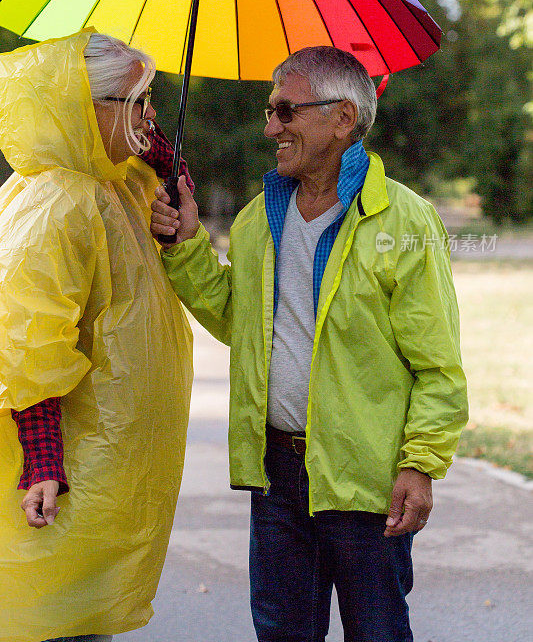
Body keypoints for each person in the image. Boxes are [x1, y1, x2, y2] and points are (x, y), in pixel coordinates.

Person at [150, 46, 469, 642]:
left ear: (343, 117)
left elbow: (438, 366)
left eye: (286, 111)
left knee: (377, 633)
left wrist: (421, 464)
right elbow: (237, 323)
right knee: (281, 633)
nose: (271, 126)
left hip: (366, 485)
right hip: (276, 477)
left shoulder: (405, 221)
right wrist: (187, 246)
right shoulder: (255, 219)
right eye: (272, 112)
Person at [0, 29, 194, 642]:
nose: (151, 116)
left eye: (151, 98)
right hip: (68, 469)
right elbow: (30, 342)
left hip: (104, 465)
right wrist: (43, 462)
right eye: (138, 100)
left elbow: (166, 166)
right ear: (88, 106)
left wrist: (159, 159)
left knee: (82, 620)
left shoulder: (116, 184)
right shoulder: (62, 199)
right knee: (59, 625)